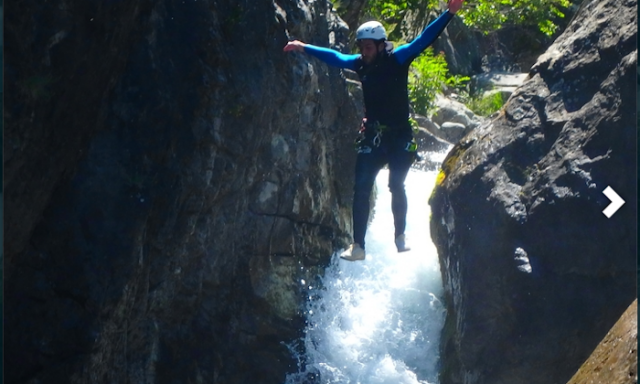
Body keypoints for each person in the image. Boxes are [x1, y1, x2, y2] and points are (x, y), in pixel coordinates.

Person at [284, 0, 464, 261]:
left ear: (381, 45)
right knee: (361, 187)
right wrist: (303, 47)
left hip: (401, 136)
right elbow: (335, 58)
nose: (364, 52)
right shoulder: (360, 64)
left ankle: (400, 236)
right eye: (362, 47)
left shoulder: (398, 59)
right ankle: (358, 246)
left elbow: (423, 39)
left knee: (396, 185)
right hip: (374, 136)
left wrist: (449, 14)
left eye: (369, 47)